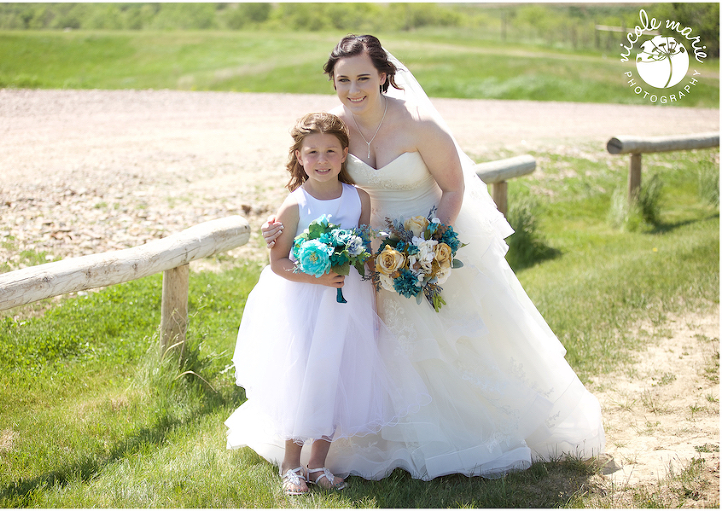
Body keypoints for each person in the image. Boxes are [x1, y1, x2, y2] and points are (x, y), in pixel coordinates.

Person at [260, 35, 605, 481]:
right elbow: (317, 183)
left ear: (384, 76)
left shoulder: (419, 123)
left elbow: (454, 188)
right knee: (365, 343)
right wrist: (277, 227)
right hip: (366, 256)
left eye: (363, 77)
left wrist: (430, 244)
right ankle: (355, 439)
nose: (353, 89)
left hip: (421, 240)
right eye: (343, 80)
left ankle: (457, 434)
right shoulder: (336, 131)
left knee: (444, 341)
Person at [226, 112, 430, 495]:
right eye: (313, 152)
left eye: (330, 152)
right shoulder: (294, 206)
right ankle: (291, 464)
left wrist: (372, 302)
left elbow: (366, 257)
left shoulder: (359, 200)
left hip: (347, 302)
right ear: (300, 157)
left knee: (337, 375)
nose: (322, 160)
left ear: (344, 155)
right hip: (305, 302)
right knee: (305, 377)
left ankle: (318, 462)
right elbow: (278, 263)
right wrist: (316, 276)